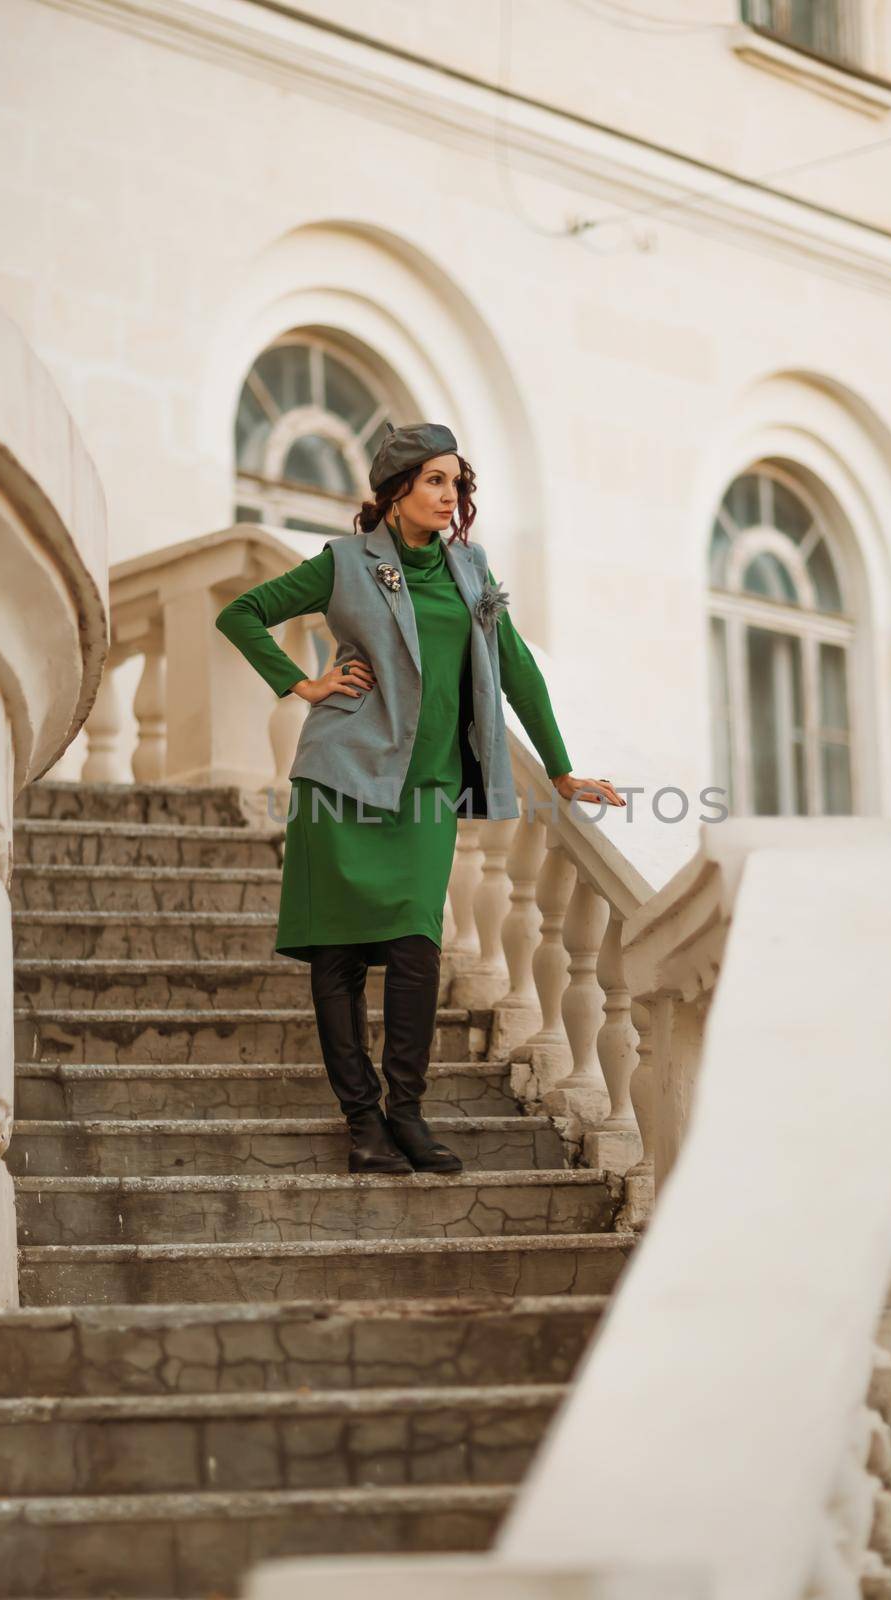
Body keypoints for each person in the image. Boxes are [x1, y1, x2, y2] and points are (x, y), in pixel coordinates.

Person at [215, 421, 625, 1178]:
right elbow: (240, 613)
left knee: (414, 948)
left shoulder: (471, 570)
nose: (449, 495)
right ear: (396, 490)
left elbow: (517, 668)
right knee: (336, 953)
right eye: (434, 480)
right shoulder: (344, 562)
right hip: (342, 774)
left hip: (427, 786)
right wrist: (303, 683)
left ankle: (406, 1112)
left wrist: (562, 771)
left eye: (456, 482)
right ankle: (362, 1122)